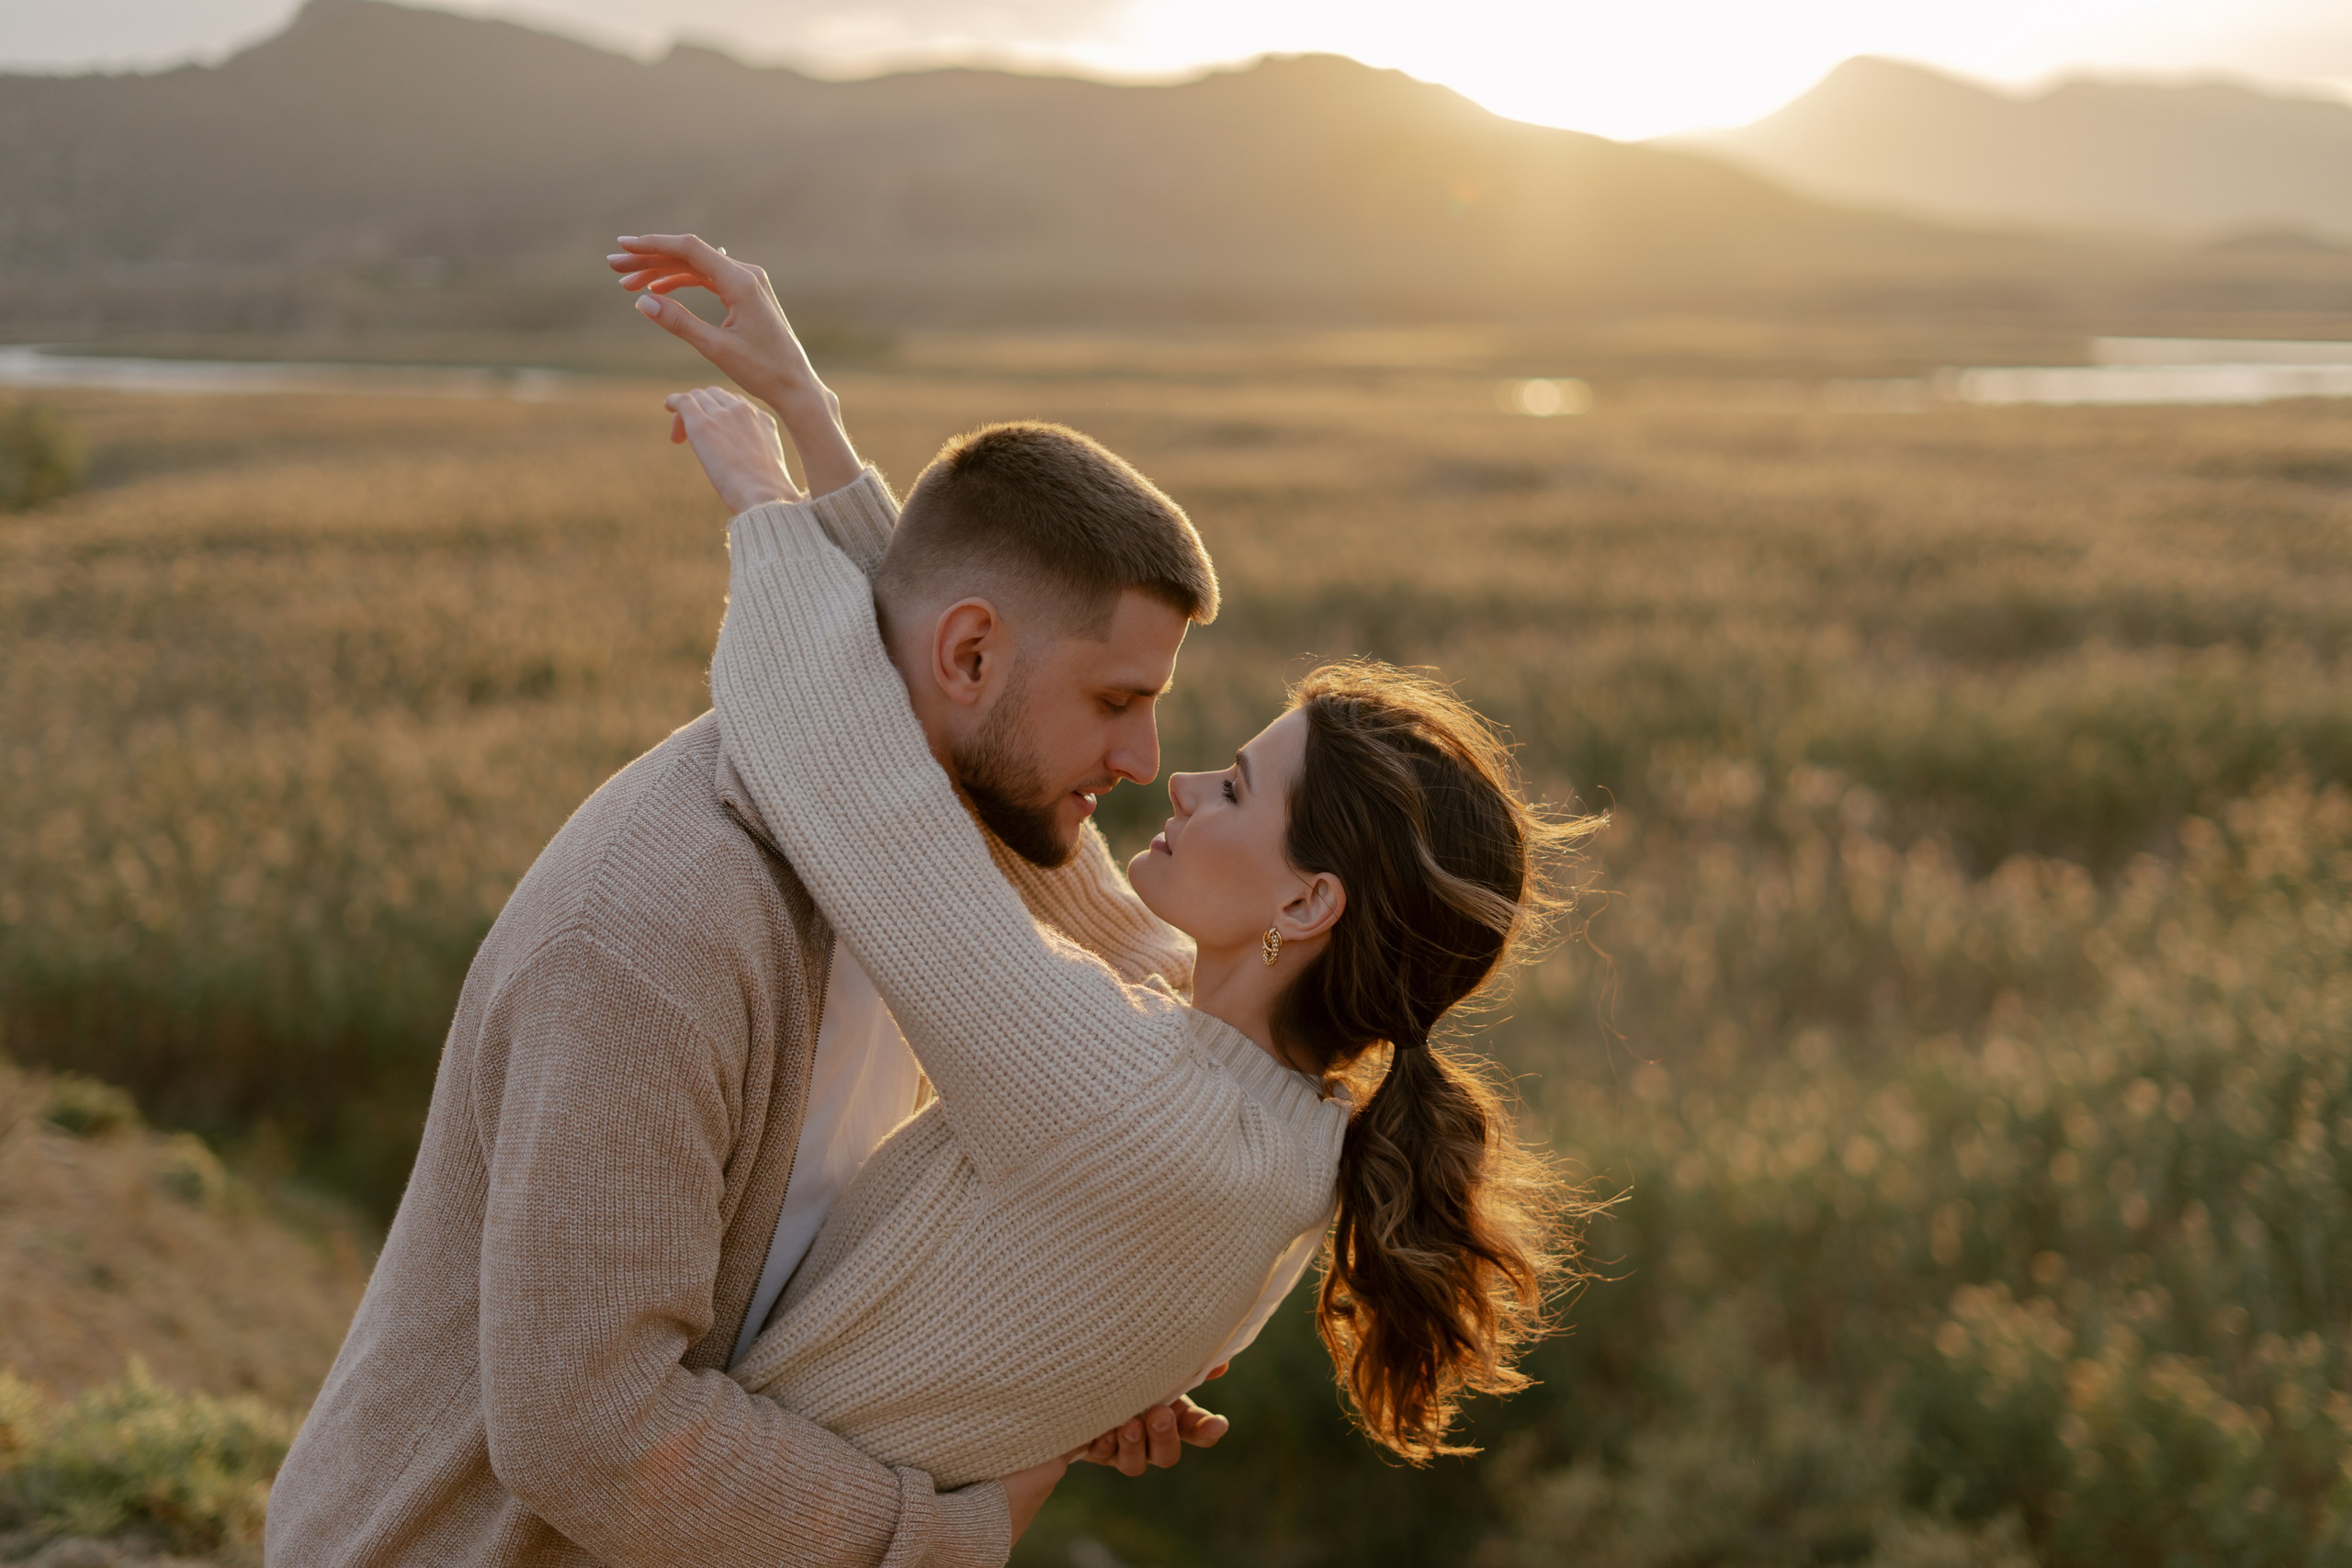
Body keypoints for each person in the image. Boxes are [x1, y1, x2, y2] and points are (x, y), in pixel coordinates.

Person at [266, 257, 1238, 1568]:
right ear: (966, 658)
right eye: (1117, 701)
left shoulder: (929, 846)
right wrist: (945, 1534)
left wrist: (1053, 1379)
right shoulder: (655, 932)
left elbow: (1140, 987)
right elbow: (583, 1426)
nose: (1142, 759)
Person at [637, 235, 1598, 1492]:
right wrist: (817, 419)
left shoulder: (1127, 1100)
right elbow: (1020, 811)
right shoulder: (1290, 1141)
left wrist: (761, 500)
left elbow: (864, 795)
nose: (1177, 778)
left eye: (1239, 789)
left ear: (1308, 901)